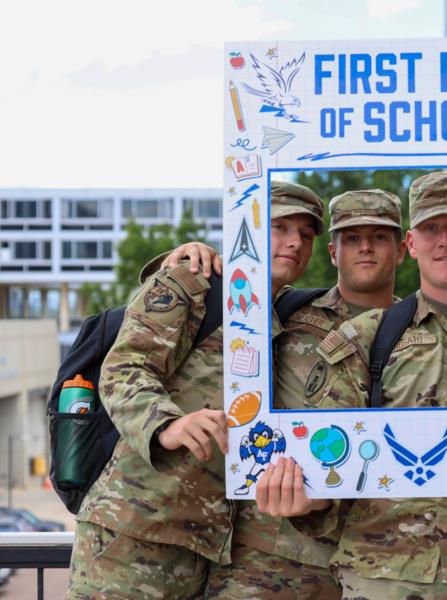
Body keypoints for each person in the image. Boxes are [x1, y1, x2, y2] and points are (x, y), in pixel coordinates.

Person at [283, 170, 447, 599]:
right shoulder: (365, 338)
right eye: (431, 228)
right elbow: (324, 458)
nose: (445, 240)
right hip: (383, 578)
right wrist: (303, 495)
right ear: (411, 243)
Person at [66, 182, 325, 598]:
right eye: (280, 227)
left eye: (307, 235)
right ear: (250, 227)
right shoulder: (194, 282)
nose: (295, 242)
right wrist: (166, 423)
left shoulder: (292, 314)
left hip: (216, 550)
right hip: (134, 532)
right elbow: (125, 367)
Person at [161, 188, 407, 599]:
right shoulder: (281, 314)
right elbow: (227, 292)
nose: (365, 247)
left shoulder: (419, 330)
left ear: (402, 250)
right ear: (333, 252)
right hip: (267, 557)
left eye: (380, 236)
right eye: (351, 237)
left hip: (377, 559)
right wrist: (198, 255)